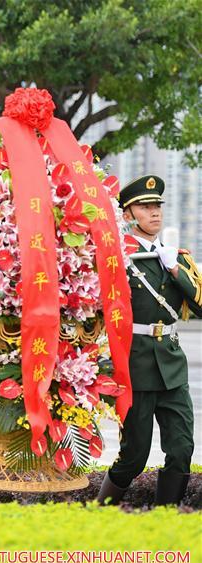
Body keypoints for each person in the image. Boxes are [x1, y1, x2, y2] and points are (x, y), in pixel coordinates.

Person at [97, 175, 202, 506]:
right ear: (127, 215)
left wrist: (177, 271)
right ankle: (100, 511)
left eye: (157, 206)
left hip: (171, 366)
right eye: (145, 207)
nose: (154, 212)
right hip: (134, 366)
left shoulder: (177, 258)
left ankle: (165, 516)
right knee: (134, 456)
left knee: (182, 448)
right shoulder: (118, 259)